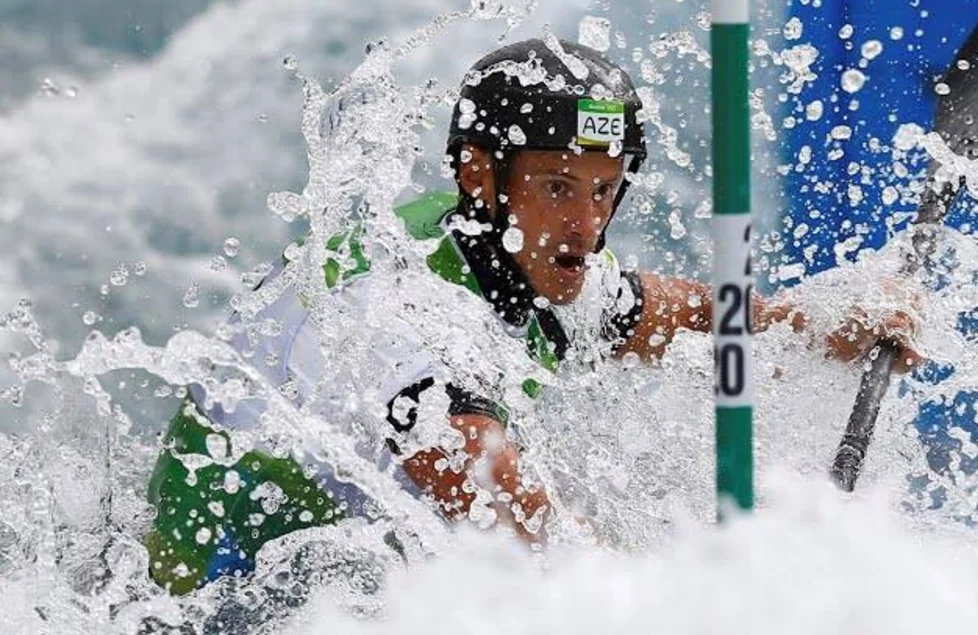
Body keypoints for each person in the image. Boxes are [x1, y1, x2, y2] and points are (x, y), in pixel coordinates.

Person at [143, 37, 922, 595]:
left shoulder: (519, 252)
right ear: (479, 174)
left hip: (334, 566)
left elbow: (658, 312)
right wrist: (674, 602)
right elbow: (487, 485)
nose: (586, 224)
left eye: (603, 190)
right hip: (214, 596)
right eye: (557, 187)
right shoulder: (401, 297)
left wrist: (812, 324)